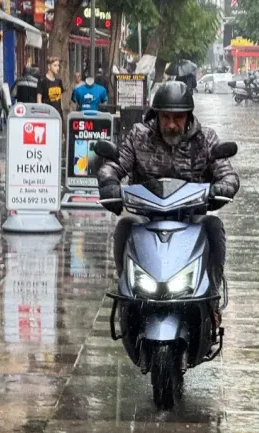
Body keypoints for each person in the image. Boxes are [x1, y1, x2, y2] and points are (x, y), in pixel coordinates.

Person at [98, 81, 239, 327]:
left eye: (178, 118)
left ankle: (212, 299)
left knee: (214, 226)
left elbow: (227, 173)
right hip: (146, 218)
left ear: (188, 117)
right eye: (166, 117)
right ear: (157, 115)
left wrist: (222, 187)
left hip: (191, 218)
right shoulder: (138, 136)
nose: (172, 124)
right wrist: (109, 182)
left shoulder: (205, 139)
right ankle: (126, 295)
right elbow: (115, 164)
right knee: (124, 226)